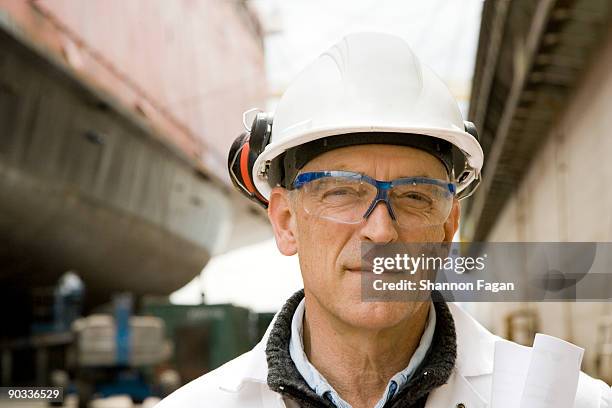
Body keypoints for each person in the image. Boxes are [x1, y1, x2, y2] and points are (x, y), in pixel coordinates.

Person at [157, 32, 612, 408]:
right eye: (341, 191)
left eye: (415, 196)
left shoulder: (569, 402)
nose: (381, 230)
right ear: (285, 222)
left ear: (448, 227)